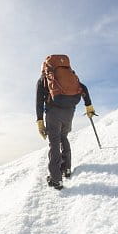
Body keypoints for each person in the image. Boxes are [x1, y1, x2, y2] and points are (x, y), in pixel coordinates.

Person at [35, 54, 95, 190]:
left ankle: (56, 179)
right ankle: (66, 169)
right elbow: (83, 88)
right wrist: (88, 105)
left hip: (53, 112)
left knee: (54, 142)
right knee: (64, 137)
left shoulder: (44, 79)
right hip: (69, 111)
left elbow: (39, 102)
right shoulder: (70, 76)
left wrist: (40, 121)